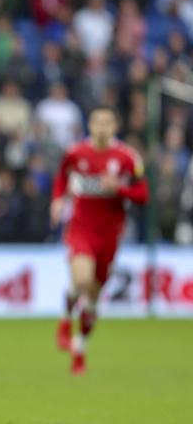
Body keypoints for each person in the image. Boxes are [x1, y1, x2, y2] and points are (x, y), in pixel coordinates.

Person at [50, 105, 148, 375]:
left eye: (107, 122)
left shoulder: (127, 157)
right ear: (89, 126)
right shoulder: (75, 153)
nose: (102, 127)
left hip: (110, 234)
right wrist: (58, 201)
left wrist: (120, 188)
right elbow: (61, 178)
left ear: (115, 126)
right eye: (97, 122)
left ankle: (79, 349)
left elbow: (143, 194)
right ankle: (64, 320)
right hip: (81, 228)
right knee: (81, 280)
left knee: (93, 299)